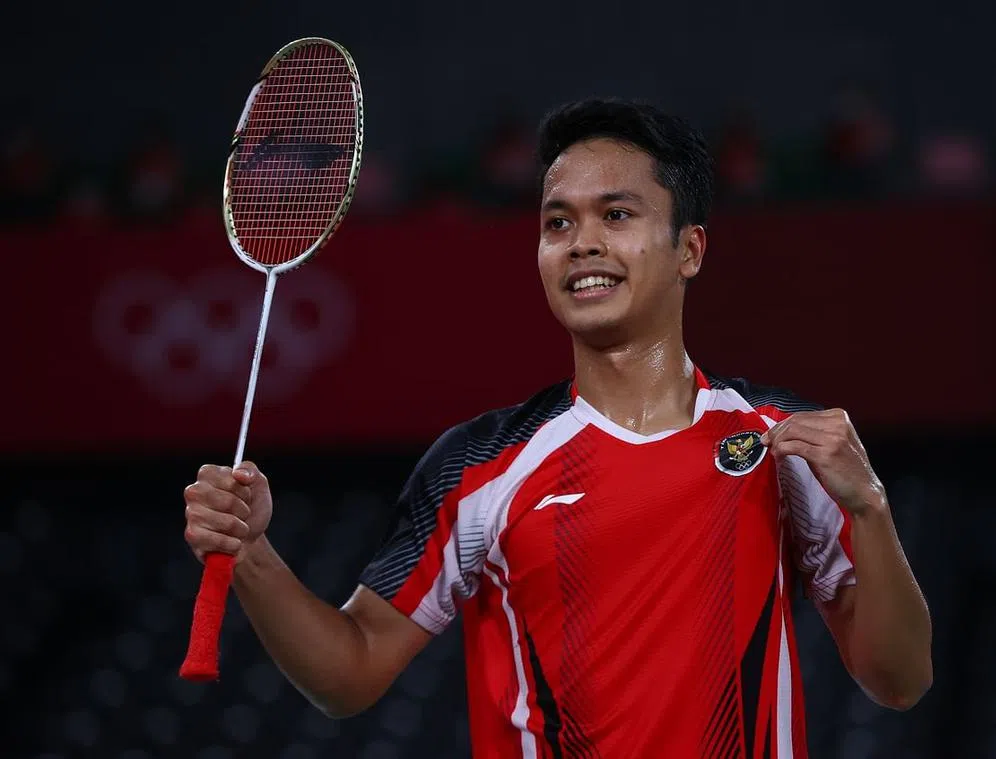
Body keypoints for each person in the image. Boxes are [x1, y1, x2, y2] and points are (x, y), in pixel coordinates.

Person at [183, 98, 932, 758]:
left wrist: (870, 507)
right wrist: (250, 553)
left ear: (689, 250)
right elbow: (350, 673)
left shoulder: (781, 440)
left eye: (617, 215)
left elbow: (899, 679)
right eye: (557, 222)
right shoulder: (478, 465)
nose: (582, 243)